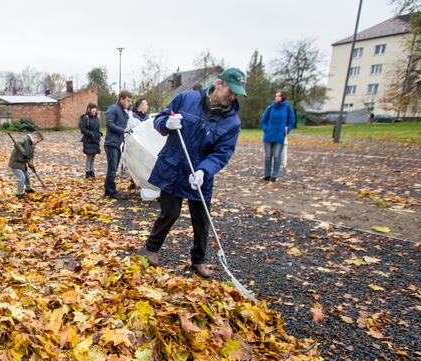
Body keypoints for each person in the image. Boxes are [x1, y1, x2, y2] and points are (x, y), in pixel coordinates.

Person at [143, 68, 247, 278]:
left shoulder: (232, 122)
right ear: (219, 84)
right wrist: (167, 123)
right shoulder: (186, 99)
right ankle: (151, 248)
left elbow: (222, 153)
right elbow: (160, 119)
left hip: (199, 176)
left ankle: (198, 259)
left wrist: (203, 170)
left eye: (236, 94)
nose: (232, 97)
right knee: (169, 213)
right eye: (230, 90)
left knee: (201, 220)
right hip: (174, 167)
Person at [259, 90, 295, 182]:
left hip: (280, 136)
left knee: (277, 156)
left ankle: (274, 175)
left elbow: (291, 121)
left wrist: (287, 129)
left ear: (283, 97)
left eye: (278, 96)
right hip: (268, 136)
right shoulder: (270, 107)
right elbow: (263, 121)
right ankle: (267, 175)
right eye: (276, 96)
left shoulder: (287, 108)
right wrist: (266, 129)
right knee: (268, 156)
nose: (276, 98)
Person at [104, 90, 132, 199]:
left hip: (118, 143)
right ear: (121, 99)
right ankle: (112, 191)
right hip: (111, 143)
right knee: (112, 169)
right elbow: (109, 123)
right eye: (128, 100)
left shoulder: (123, 110)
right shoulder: (113, 109)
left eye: (130, 101)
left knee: (113, 168)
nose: (129, 103)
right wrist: (123, 130)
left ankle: (107, 190)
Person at [9, 130, 44, 199]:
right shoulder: (25, 139)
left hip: (22, 164)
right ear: (35, 137)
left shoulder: (32, 145)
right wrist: (23, 151)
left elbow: (30, 157)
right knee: (21, 178)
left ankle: (28, 189)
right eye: (37, 141)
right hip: (15, 162)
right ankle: (19, 193)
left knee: (27, 177)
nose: (37, 143)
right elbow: (17, 143)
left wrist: (32, 166)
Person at [79, 103, 101, 179]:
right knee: (89, 157)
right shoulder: (86, 118)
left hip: (95, 140)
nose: (94, 109)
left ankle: (92, 171)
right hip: (88, 140)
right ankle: (88, 172)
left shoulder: (97, 118)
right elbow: (82, 129)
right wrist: (90, 133)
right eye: (93, 108)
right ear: (89, 109)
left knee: (93, 156)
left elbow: (97, 128)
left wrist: (99, 133)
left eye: (95, 108)